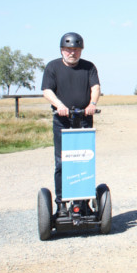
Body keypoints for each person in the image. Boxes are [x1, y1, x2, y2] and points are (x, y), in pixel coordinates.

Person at [41, 32, 101, 216]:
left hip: (84, 119)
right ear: (62, 50)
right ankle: (61, 204)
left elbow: (95, 87)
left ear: (81, 50)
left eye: (76, 49)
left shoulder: (89, 67)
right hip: (62, 120)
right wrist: (59, 105)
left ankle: (84, 203)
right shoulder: (53, 67)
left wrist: (92, 104)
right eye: (68, 49)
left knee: (84, 160)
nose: (72, 53)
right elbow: (47, 90)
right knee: (62, 162)